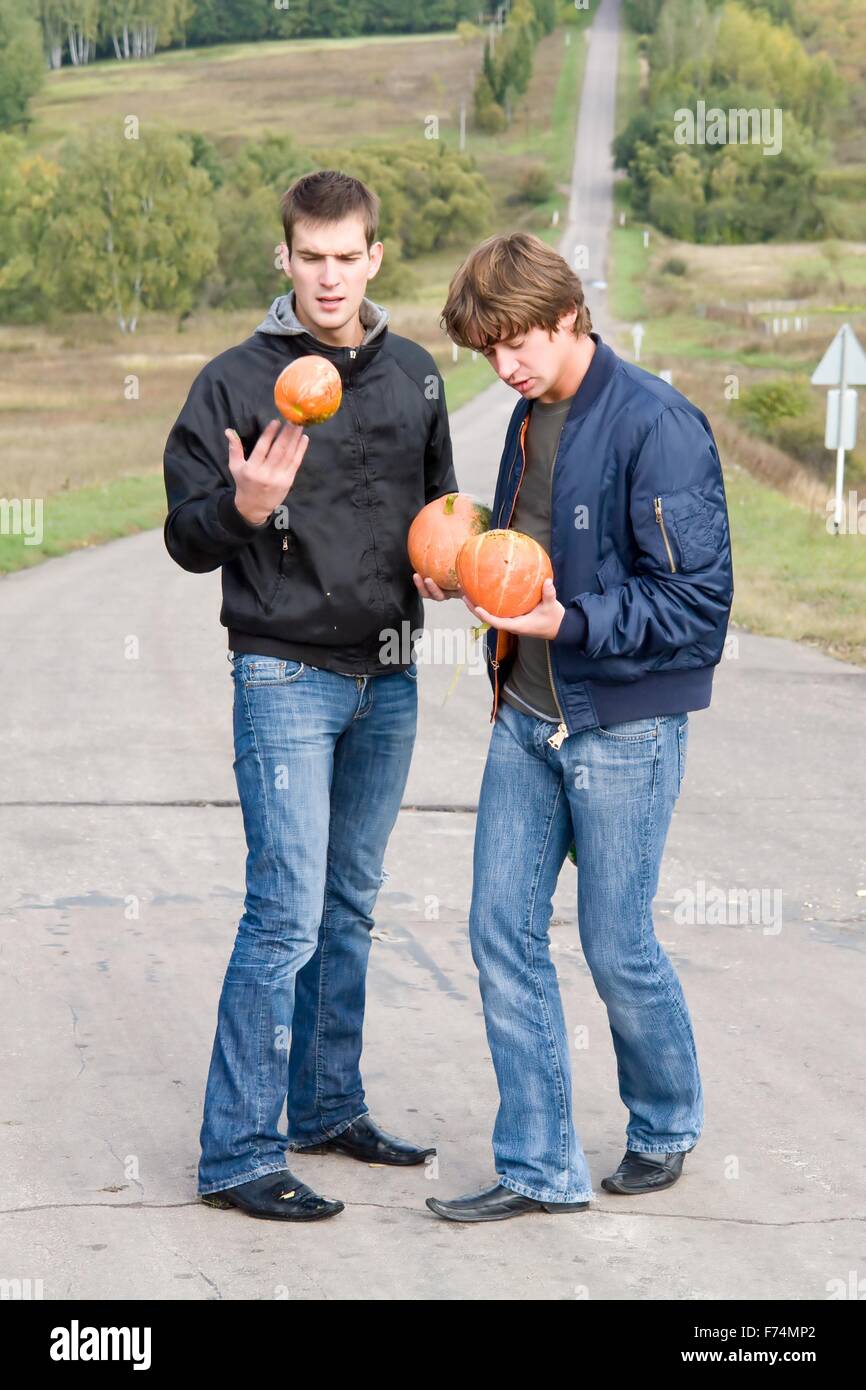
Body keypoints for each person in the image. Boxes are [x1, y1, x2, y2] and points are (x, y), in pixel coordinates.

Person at [414, 232, 734, 1223]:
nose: (503, 363)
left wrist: (570, 622)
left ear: (566, 315)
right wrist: (462, 572)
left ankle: (665, 1121)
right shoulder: (526, 414)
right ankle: (538, 1165)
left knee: (614, 942)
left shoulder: (657, 425)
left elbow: (697, 608)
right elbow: (524, 552)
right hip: (527, 715)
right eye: (487, 348)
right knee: (497, 932)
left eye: (514, 340)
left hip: (618, 731)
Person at [163, 169, 457, 1222]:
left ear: (375, 256)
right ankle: (238, 1154)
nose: (329, 277)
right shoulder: (234, 383)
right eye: (310, 257)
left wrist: (443, 567)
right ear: (284, 259)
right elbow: (183, 538)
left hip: (388, 679)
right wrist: (242, 507)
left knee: (346, 908)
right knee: (282, 916)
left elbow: (439, 517)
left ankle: (326, 1103)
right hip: (283, 670)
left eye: (348, 256)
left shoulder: (417, 374)